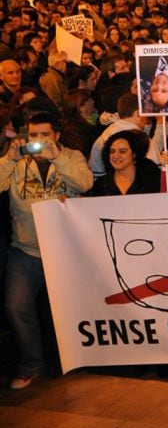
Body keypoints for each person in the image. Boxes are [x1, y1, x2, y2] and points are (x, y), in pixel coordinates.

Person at [0, 111, 94, 389]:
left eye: (44, 135)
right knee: (16, 307)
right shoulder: (17, 163)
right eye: (33, 136)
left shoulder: (71, 156)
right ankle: (32, 364)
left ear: (57, 136)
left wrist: (57, 158)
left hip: (64, 251)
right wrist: (9, 159)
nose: (38, 141)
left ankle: (74, 359)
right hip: (25, 250)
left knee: (68, 310)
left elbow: (85, 183)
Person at [90, 130, 164, 196]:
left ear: (134, 154)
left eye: (122, 151)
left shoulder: (150, 179)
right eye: (112, 151)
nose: (116, 156)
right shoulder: (100, 185)